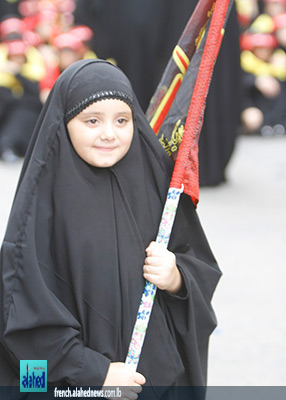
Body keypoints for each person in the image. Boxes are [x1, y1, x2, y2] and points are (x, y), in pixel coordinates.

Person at [0, 59, 221, 399]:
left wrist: (177, 278)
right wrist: (93, 372)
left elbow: (200, 266)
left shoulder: (157, 184)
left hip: (152, 381)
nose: (109, 133)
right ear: (63, 122)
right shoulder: (38, 209)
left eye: (122, 120)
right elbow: (20, 328)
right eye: (92, 120)